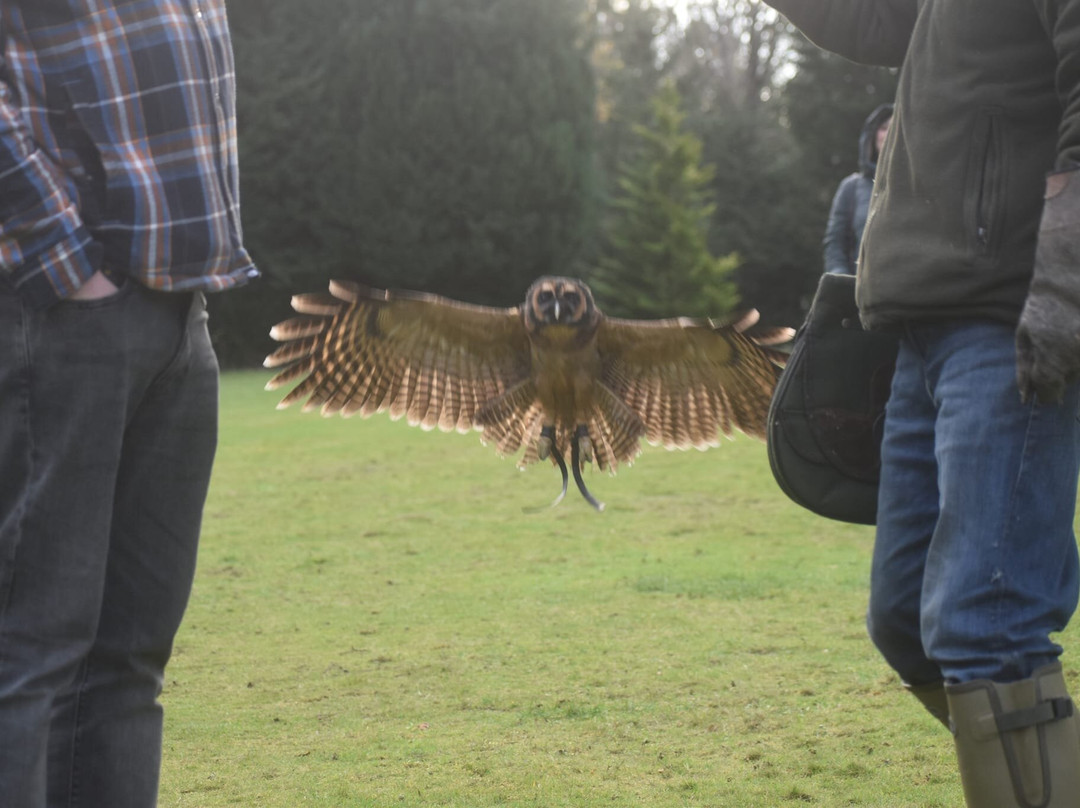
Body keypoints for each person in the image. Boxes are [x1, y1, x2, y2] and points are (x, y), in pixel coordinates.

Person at [762, 1, 1080, 805]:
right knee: (906, 616)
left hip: (1007, 313)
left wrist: (1066, 280)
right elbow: (872, 19)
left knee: (988, 622)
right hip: (919, 326)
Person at [0, 3, 257, 806]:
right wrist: (65, 261)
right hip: (66, 309)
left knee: (130, 661)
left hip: (182, 309)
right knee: (29, 655)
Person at [822, 104, 893, 275]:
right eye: (883, 128)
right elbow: (835, 244)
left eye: (895, 128)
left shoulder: (919, 187)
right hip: (861, 295)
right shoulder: (851, 188)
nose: (889, 134)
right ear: (873, 135)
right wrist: (841, 280)